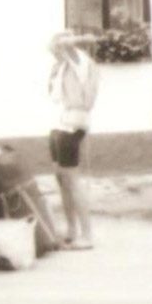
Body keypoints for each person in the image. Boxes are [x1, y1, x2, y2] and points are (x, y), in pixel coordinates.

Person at [48, 31, 99, 250]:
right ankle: (71, 230)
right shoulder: (61, 65)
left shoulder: (81, 61)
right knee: (61, 178)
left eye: (57, 47)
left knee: (72, 179)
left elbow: (72, 43)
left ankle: (87, 235)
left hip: (73, 121)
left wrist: (65, 40)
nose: (54, 50)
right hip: (58, 122)